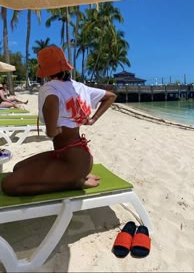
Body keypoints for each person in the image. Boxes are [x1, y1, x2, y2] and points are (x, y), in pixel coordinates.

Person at [1, 45, 116, 196]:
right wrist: (92, 119)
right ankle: (72, 178)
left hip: (72, 163)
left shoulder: (50, 88)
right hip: (73, 156)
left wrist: (52, 130)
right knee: (18, 167)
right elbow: (110, 96)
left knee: (9, 185)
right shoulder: (79, 87)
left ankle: (74, 183)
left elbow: (52, 105)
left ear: (45, 69)